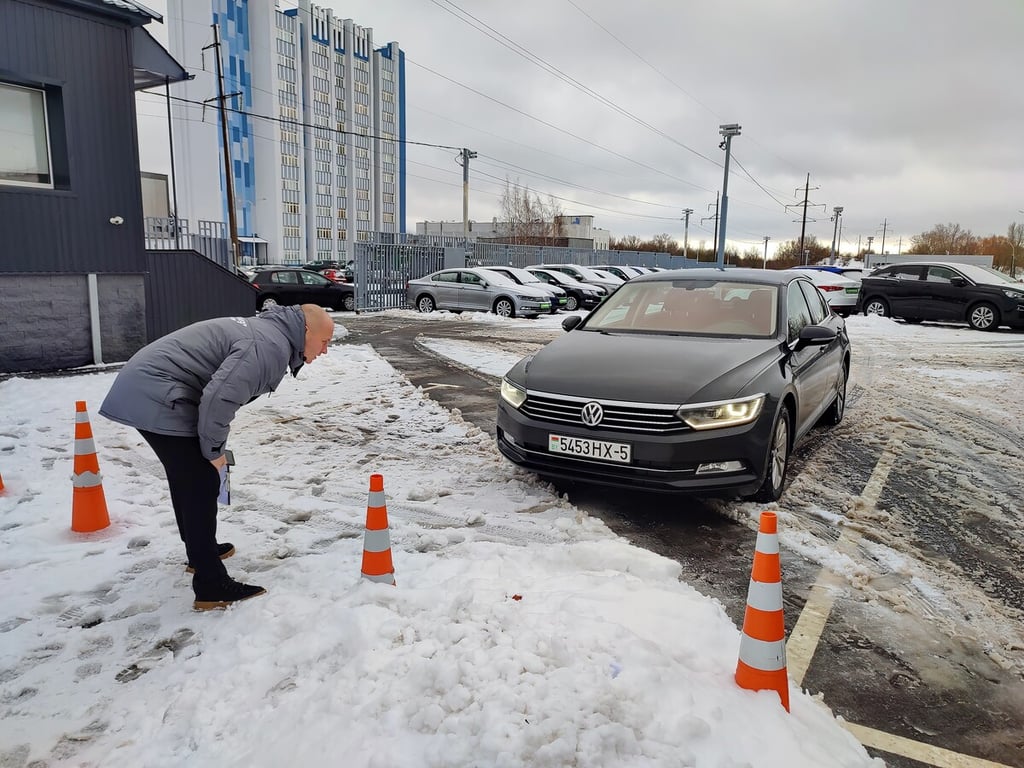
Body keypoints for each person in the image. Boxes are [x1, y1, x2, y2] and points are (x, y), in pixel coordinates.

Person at [100, 304, 335, 610]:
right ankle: (210, 583)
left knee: (188, 475)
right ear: (305, 331)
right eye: (324, 342)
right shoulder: (269, 347)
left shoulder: (271, 336)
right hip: (156, 390)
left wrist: (212, 449)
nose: (325, 351)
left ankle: (200, 551)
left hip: (152, 386)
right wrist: (214, 452)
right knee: (201, 479)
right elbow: (219, 398)